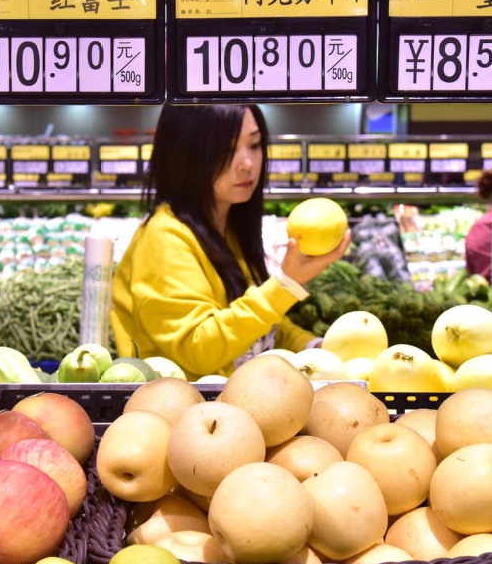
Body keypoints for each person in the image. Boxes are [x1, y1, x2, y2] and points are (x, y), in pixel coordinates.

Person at [111, 104, 351, 380]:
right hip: (187, 415)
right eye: (226, 150)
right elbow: (198, 348)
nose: (248, 163)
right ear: (185, 153)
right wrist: (285, 284)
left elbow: (258, 331)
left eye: (255, 144)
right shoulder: (163, 238)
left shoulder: (227, 229)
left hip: (235, 407)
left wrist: (314, 349)